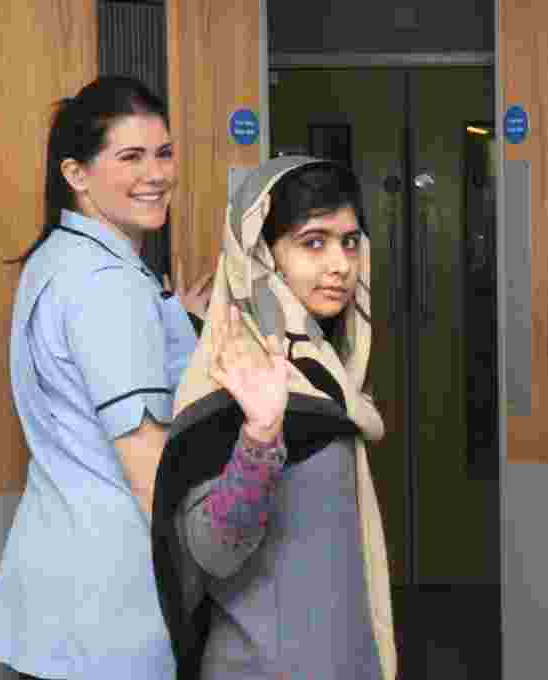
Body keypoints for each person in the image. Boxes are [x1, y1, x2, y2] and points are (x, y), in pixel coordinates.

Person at [0, 76, 210, 680]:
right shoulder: (107, 284)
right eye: (129, 157)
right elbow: (148, 472)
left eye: (163, 152)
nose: (156, 173)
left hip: (58, 596)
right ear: (77, 174)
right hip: (113, 608)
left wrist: (170, 318)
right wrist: (215, 570)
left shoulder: (58, 259)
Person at [151, 156, 397, 680]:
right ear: (263, 256)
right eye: (313, 242)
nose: (340, 264)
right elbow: (212, 552)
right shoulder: (233, 372)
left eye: (350, 242)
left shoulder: (331, 375)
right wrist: (260, 434)